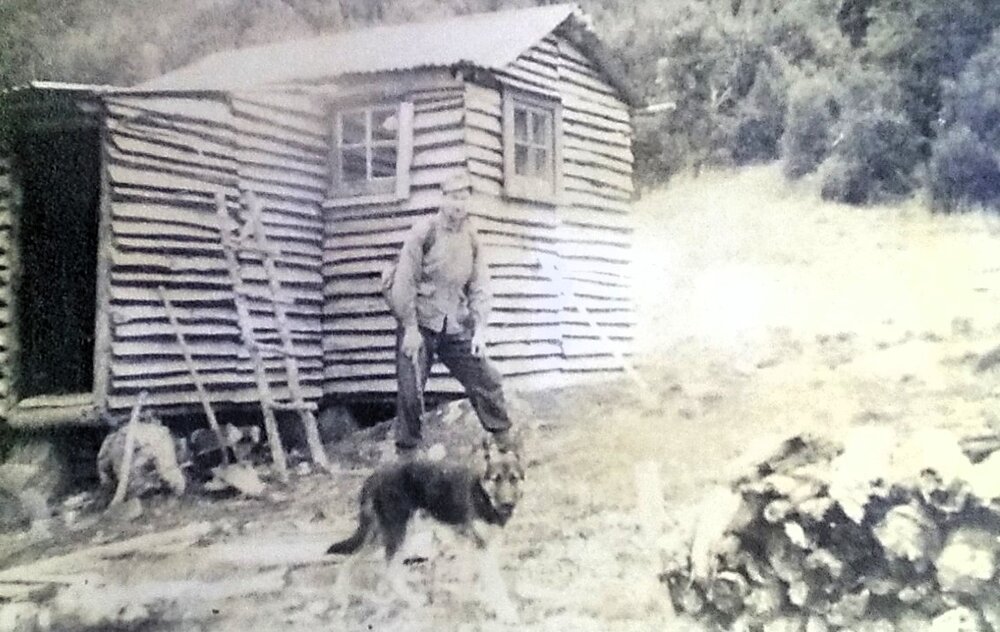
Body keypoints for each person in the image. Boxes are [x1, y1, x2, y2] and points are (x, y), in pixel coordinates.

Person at [388, 174, 514, 455]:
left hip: (455, 325)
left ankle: (506, 448)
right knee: (411, 394)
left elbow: (480, 284)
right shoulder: (424, 232)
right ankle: (407, 460)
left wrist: (480, 327)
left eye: (464, 197)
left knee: (485, 377)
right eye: (454, 196)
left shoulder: (471, 237)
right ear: (442, 199)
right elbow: (404, 282)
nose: (459, 203)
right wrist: (409, 328)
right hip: (419, 324)